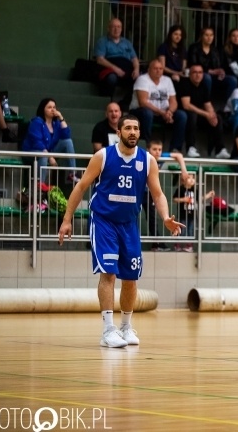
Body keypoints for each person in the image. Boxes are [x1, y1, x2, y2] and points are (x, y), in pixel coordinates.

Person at [58, 114, 183, 348]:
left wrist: (165, 217)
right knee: (108, 274)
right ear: (119, 132)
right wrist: (67, 219)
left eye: (136, 128)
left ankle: (126, 327)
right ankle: (107, 330)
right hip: (104, 221)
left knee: (131, 278)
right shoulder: (103, 156)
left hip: (129, 225)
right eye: (128, 128)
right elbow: (81, 186)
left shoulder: (147, 161)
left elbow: (157, 194)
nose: (133, 132)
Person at [128, 59, 187, 153]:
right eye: (155, 68)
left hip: (162, 113)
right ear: (149, 69)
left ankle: (175, 149)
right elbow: (143, 102)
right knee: (147, 114)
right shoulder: (142, 79)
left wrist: (169, 112)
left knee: (181, 115)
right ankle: (145, 147)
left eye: (160, 68)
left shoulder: (167, 80)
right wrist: (162, 112)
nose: (158, 71)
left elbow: (173, 102)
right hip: (139, 112)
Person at [21, 98, 79, 185]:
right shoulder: (37, 122)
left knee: (68, 142)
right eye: (49, 107)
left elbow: (66, 135)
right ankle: (40, 185)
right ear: (43, 109)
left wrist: (61, 118)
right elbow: (37, 143)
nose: (53, 109)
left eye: (54, 107)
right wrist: (50, 157)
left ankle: (72, 174)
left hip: (48, 152)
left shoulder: (56, 123)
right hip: (32, 151)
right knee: (44, 156)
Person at [179, 64, 230, 159]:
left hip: (199, 115)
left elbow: (208, 105)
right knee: (192, 115)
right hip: (184, 114)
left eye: (200, 72)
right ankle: (190, 147)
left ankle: (220, 150)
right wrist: (206, 114)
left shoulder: (203, 86)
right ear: (189, 74)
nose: (198, 75)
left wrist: (212, 115)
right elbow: (186, 105)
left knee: (217, 117)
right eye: (195, 72)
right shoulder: (185, 83)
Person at [94, 18, 140, 105]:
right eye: (114, 27)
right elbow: (100, 59)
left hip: (127, 69)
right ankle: (107, 103)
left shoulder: (127, 43)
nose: (116, 29)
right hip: (111, 69)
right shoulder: (102, 41)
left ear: (122, 29)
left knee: (140, 79)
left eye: (119, 27)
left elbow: (134, 59)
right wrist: (115, 69)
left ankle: (125, 104)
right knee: (111, 78)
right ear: (108, 28)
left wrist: (136, 69)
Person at [173, 170, 214, 253]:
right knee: (182, 230)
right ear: (183, 180)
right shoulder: (180, 189)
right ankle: (177, 245)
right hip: (182, 214)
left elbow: (200, 198)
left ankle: (189, 246)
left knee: (191, 230)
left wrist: (208, 195)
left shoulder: (195, 190)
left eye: (193, 178)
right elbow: (174, 199)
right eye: (189, 178)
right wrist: (183, 199)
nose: (192, 180)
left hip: (192, 215)